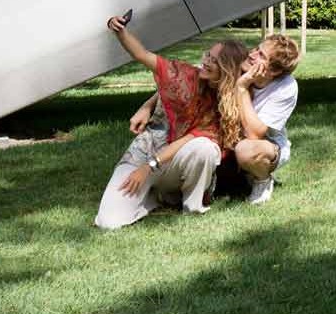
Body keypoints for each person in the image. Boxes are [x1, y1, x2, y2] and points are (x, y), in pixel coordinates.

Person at [93, 15, 249, 229]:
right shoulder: (187, 75)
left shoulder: (228, 103)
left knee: (204, 148)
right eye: (207, 55)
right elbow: (143, 55)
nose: (205, 61)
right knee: (108, 222)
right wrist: (120, 30)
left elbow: (191, 139)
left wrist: (150, 167)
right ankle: (157, 196)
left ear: (227, 68)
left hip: (172, 160)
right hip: (145, 153)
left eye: (213, 60)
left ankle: (192, 207)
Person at [230, 34, 302, 204]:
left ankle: (262, 179)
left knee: (246, 150)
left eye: (261, 55)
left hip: (266, 145)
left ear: (274, 71)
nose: (252, 54)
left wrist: (241, 88)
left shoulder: (285, 87)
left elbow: (254, 134)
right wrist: (152, 104)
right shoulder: (238, 65)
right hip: (230, 138)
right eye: (256, 48)